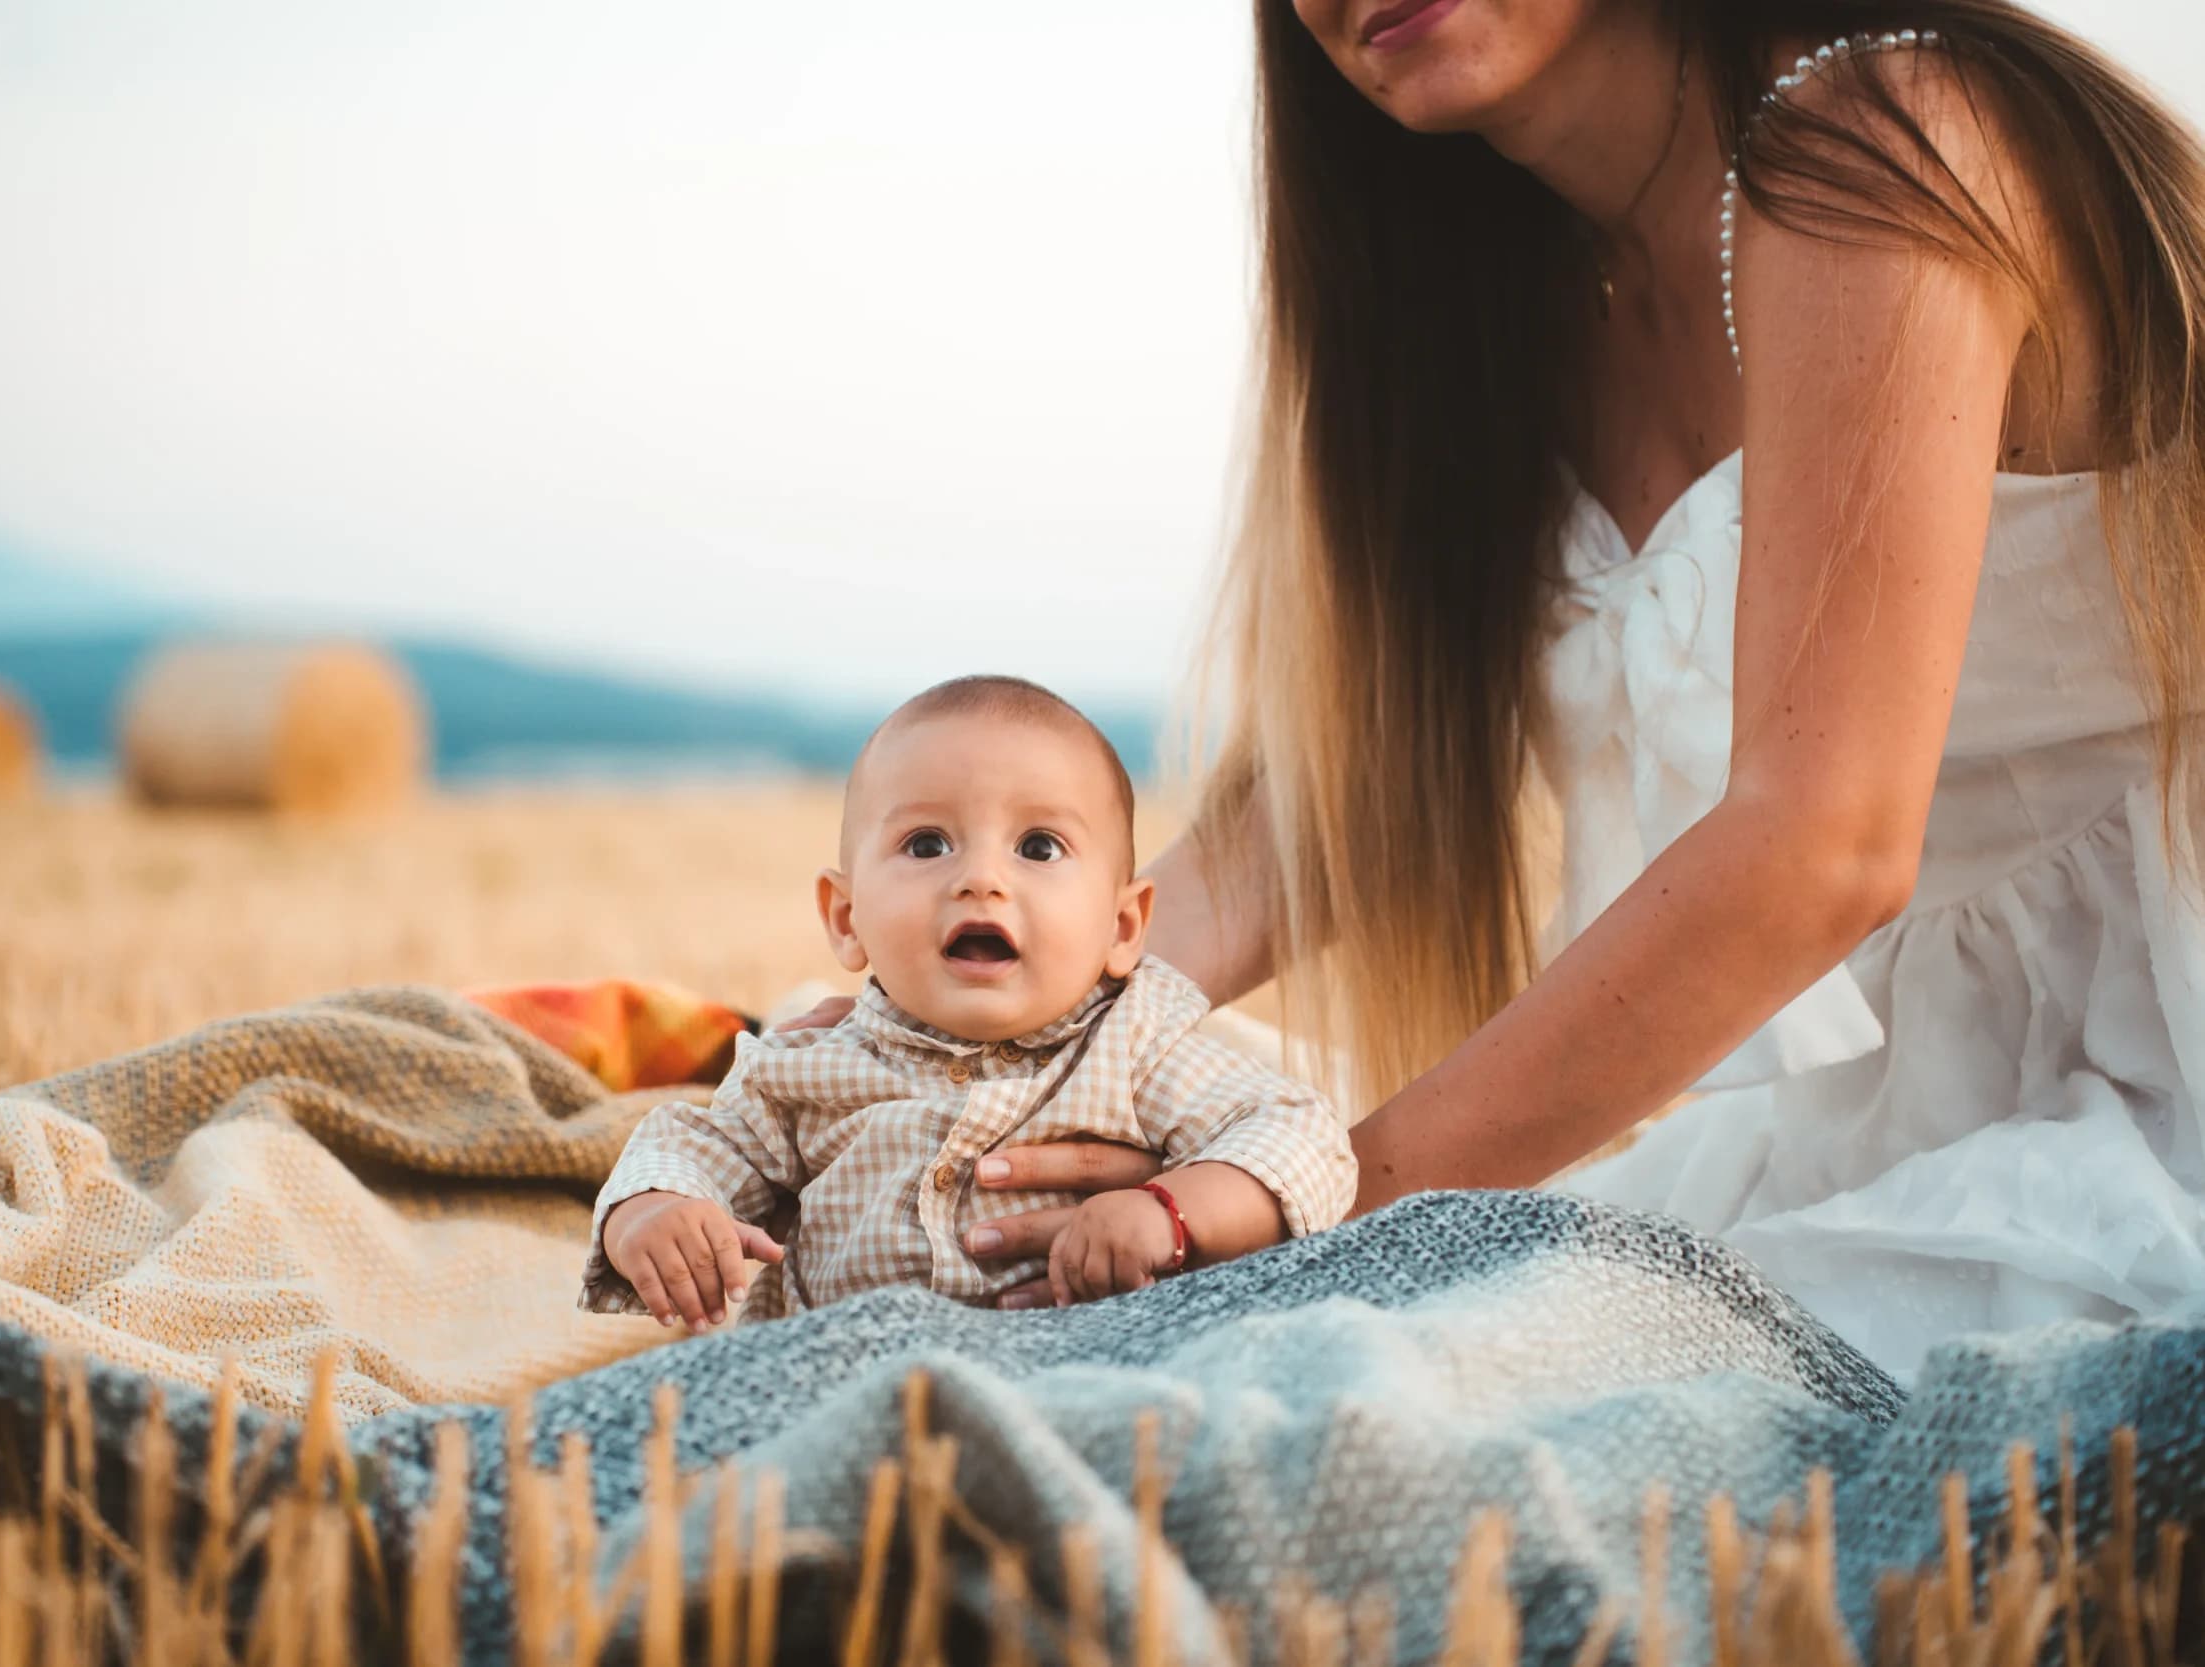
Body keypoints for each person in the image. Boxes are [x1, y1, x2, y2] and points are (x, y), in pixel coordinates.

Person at [788, 1, 2205, 1377]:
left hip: (2159, 1070)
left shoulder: (1888, 136)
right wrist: (965, 1027)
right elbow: (1344, 802)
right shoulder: (1508, 292)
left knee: (1350, 1388)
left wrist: (1293, 1207)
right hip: (1881, 1102)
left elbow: (1821, 847)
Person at [581, 676, 1356, 1330]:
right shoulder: (806, 1067)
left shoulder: (1135, 1047)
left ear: (1123, 927)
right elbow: (693, 1142)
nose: (981, 878)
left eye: (1038, 846)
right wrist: (653, 1210)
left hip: (1089, 1363)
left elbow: (1299, 1134)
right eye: (927, 844)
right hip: (839, 1373)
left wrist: (1172, 1210)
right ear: (846, 918)